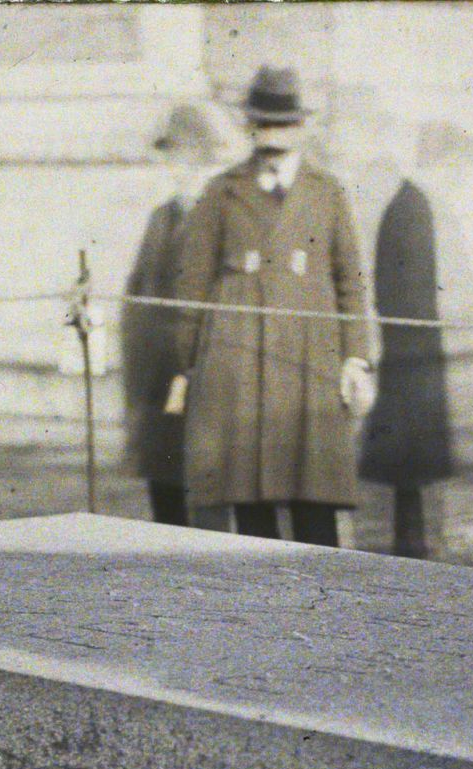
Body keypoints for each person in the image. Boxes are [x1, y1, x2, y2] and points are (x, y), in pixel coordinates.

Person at [169, 67, 374, 546]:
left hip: (310, 358)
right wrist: (190, 364)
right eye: (264, 123)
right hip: (239, 360)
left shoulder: (328, 192)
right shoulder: (222, 193)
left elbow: (352, 282)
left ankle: (323, 600)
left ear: (300, 127)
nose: (274, 135)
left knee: (313, 497)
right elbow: (192, 284)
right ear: (250, 127)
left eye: (283, 124)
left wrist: (356, 357)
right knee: (250, 494)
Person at [120, 102, 236, 526]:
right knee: (164, 497)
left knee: (208, 505)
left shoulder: (226, 220)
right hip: (157, 389)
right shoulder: (160, 218)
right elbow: (136, 297)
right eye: (173, 156)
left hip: (204, 386)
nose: (179, 167)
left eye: (190, 156)